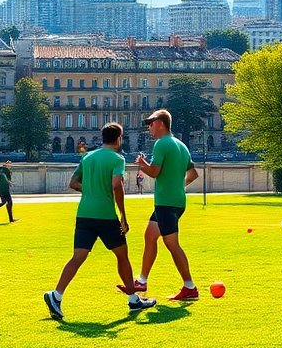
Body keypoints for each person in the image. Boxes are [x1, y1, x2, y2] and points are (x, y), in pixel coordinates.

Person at [43, 122, 156, 321]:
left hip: (84, 214)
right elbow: (116, 186)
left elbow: (73, 182)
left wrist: (91, 191)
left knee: (78, 257)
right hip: (105, 216)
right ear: (118, 139)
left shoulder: (87, 157)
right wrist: (123, 215)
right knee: (122, 256)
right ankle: (133, 299)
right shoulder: (117, 158)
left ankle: (56, 295)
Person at [132, 110, 200, 300]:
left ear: (161, 123)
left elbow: (154, 172)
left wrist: (142, 164)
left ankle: (190, 287)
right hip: (176, 201)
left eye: (151, 123)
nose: (149, 127)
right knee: (150, 235)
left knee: (172, 244)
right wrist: (178, 186)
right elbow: (193, 174)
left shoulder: (161, 144)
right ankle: (142, 281)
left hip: (166, 203)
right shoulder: (181, 145)